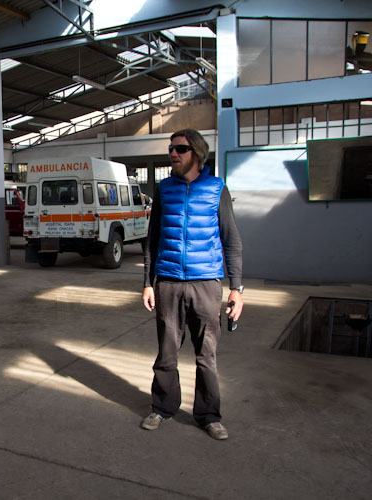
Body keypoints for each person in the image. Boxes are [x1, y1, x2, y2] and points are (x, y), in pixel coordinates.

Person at [140, 129, 243, 440]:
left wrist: (236, 288)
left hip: (206, 283)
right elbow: (153, 238)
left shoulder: (216, 189)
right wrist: (147, 283)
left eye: (181, 149)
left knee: (206, 354)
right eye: (172, 148)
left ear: (197, 153)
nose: (174, 153)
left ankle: (209, 415)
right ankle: (162, 407)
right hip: (168, 283)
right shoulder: (164, 189)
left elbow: (232, 240)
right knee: (167, 352)